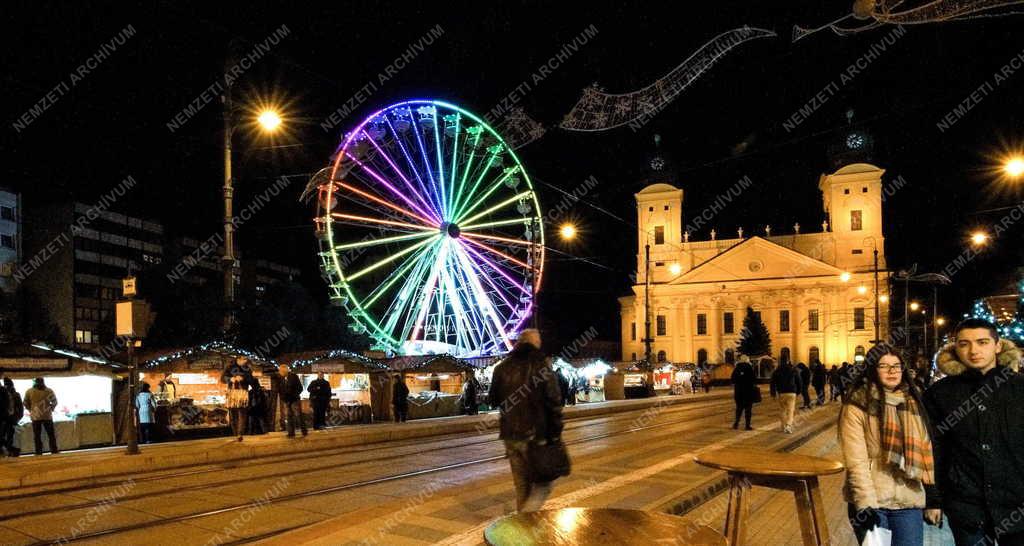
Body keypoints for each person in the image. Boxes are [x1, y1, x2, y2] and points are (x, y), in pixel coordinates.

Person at [924, 318, 1024, 545]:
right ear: (955, 347)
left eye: (982, 342)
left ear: (998, 346)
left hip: (1017, 503)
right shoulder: (940, 393)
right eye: (964, 344)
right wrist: (934, 498)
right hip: (966, 505)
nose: (973, 350)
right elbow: (933, 448)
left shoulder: (1019, 387)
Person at [839, 343, 940, 545]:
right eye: (884, 366)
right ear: (871, 370)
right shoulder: (857, 405)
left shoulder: (914, 403)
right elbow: (856, 461)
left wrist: (933, 500)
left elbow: (926, 452)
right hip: (873, 501)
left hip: (909, 499)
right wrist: (866, 505)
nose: (892, 371)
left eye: (896, 365)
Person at [488, 329, 564, 512]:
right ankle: (525, 519)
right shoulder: (542, 367)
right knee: (543, 486)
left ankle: (522, 529)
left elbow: (493, 400)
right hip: (535, 436)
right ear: (535, 344)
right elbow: (554, 403)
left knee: (522, 485)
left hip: (510, 435)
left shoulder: (501, 368)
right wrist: (555, 435)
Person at [22, 377, 58, 455]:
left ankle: (38, 452)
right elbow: (55, 401)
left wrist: (31, 410)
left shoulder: (29, 391)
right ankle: (54, 450)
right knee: (50, 435)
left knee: (37, 436)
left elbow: (25, 403)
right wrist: (51, 408)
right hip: (47, 416)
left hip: (35, 416)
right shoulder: (49, 391)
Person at [222, 357, 254, 441]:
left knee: (242, 414)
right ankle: (235, 433)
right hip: (232, 395)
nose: (246, 361)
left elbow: (251, 380)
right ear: (238, 359)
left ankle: (239, 434)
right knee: (232, 415)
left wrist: (243, 379)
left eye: (246, 360)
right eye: (244, 359)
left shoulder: (247, 368)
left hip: (242, 395)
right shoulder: (230, 366)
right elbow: (222, 378)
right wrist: (230, 379)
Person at [769, 360, 801, 434]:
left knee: (783, 410)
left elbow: (772, 383)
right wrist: (798, 391)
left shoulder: (777, 371)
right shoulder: (793, 370)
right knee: (790, 410)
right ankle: (788, 426)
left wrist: (773, 394)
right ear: (788, 362)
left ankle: (783, 426)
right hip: (792, 393)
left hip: (782, 393)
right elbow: (799, 381)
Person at [278, 364, 307, 437]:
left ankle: (304, 431)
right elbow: (281, 389)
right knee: (289, 416)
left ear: (284, 371)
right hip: (287, 401)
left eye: (280, 371)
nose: (279, 372)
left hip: (294, 400)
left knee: (298, 415)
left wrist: (294, 395)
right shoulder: (281, 378)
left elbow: (300, 388)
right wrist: (283, 398)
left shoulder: (294, 377)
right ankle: (291, 433)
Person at [730, 355, 758, 430]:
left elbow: (732, 379)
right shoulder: (749, 368)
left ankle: (736, 423)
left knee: (739, 408)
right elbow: (754, 379)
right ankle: (747, 425)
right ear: (747, 360)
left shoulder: (736, 368)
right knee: (748, 409)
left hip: (738, 392)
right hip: (748, 392)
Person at [2, 378, 23, 456]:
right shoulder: (4, 393)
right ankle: (12, 450)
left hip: (11, 418)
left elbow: (20, 408)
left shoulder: (15, 394)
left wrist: (17, 418)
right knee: (4, 436)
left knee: (9, 436)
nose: (6, 386)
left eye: (7, 384)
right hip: (5, 418)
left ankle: (11, 451)